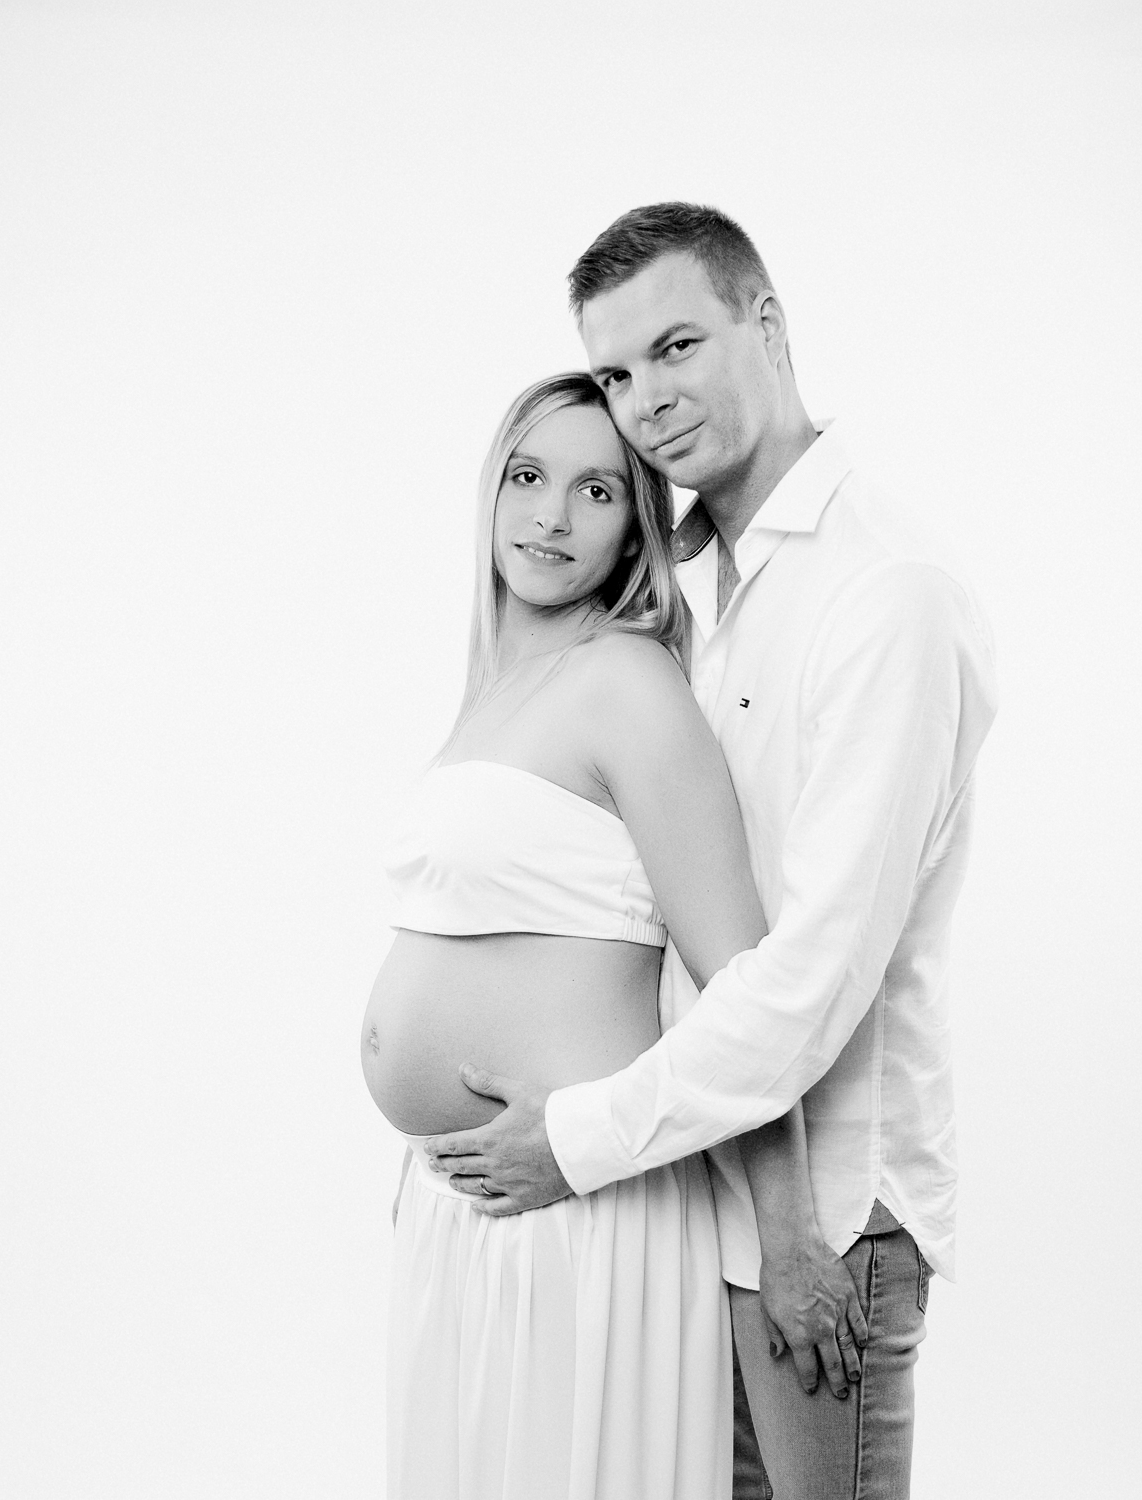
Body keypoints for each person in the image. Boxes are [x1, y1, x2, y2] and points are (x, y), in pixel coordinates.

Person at [426, 204, 999, 1499]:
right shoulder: (709, 595)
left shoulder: (879, 594)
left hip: (828, 1207)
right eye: (619, 372)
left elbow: (807, 975)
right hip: (705, 1182)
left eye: (676, 346)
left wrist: (573, 1140)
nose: (646, 402)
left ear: (768, 325)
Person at [361, 371, 866, 1500]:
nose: (550, 516)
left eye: (596, 491)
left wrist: (786, 1238)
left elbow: (742, 979)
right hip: (470, 1216)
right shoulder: (495, 693)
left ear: (638, 527)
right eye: (530, 477)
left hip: (585, 1215)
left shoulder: (627, 682)